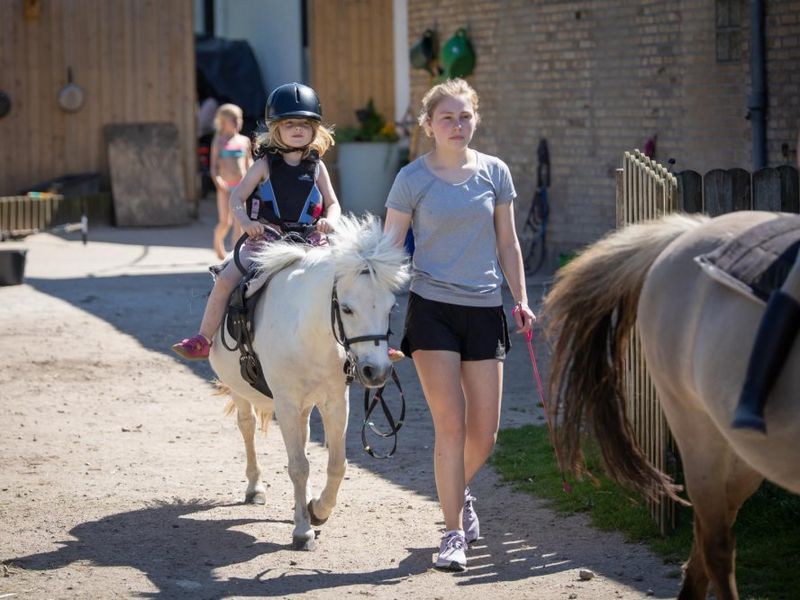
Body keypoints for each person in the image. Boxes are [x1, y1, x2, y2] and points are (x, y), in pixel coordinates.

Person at [383, 78, 536, 571]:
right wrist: (383, 326)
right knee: (450, 426)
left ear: (476, 120)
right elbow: (387, 254)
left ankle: (458, 492)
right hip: (431, 310)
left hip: (486, 308)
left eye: (464, 116)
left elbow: (508, 243)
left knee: (484, 434)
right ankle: (452, 533)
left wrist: (522, 299)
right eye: (446, 117)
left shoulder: (495, 173)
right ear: (429, 125)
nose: (457, 125)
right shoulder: (411, 179)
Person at [172, 83, 340, 360]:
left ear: (314, 129)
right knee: (226, 279)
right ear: (275, 128)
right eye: (289, 124)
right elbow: (236, 199)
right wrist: (247, 224)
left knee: (352, 277)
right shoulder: (263, 165)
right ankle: (203, 337)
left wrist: (330, 222)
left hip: (310, 238)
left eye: (305, 124)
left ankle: (366, 344)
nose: (298, 129)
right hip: (268, 238)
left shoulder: (318, 167)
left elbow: (333, 204)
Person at [210, 103, 251, 259]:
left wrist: (252, 180)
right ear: (223, 122)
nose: (237, 122)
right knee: (225, 222)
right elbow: (213, 166)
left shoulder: (244, 140)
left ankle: (236, 253)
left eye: (239, 118)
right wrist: (218, 181)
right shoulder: (219, 141)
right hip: (225, 188)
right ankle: (217, 241)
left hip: (241, 188)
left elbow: (249, 163)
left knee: (239, 222)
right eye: (232, 119)